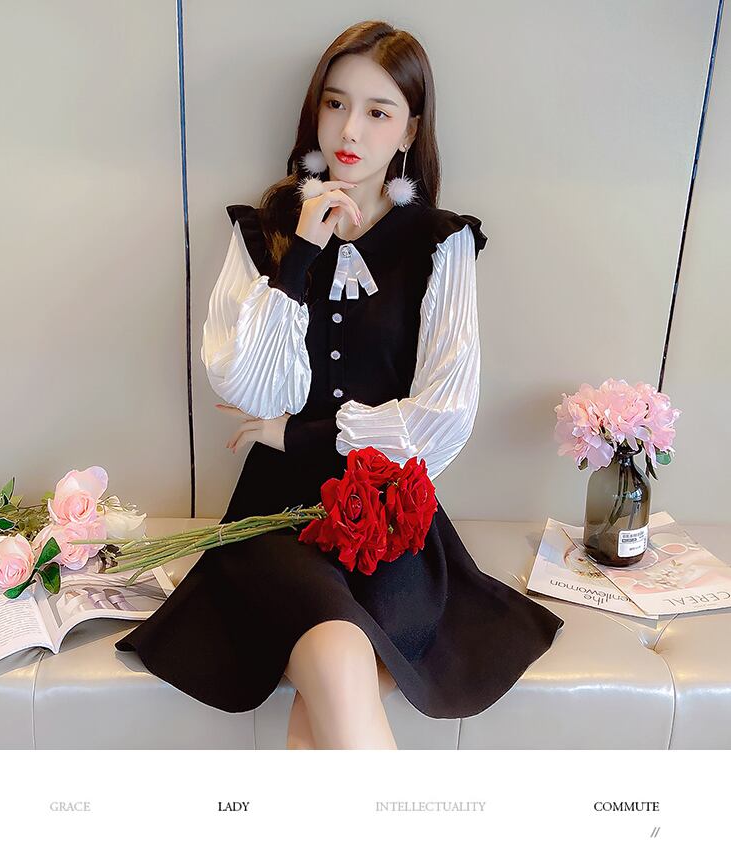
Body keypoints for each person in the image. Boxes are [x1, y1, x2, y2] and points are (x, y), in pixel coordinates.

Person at [115, 20, 565, 749]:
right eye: (335, 103)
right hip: (273, 517)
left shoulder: (442, 243)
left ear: (409, 130)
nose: (350, 130)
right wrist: (302, 253)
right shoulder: (263, 230)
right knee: (338, 652)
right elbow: (249, 386)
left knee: (327, 695)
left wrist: (301, 436)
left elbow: (444, 417)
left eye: (378, 112)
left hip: (388, 514)